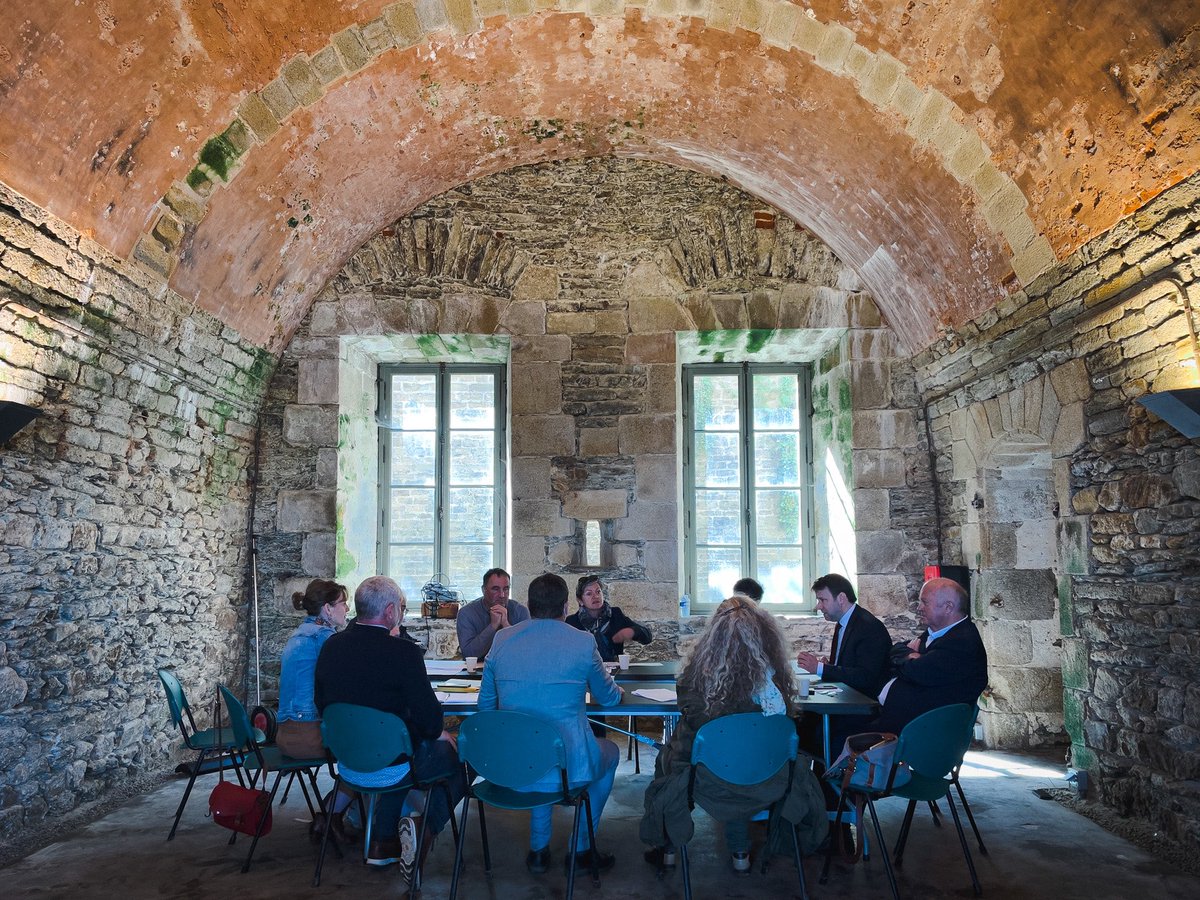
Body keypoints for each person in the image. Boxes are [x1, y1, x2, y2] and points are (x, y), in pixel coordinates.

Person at [641, 596, 826, 874]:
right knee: (741, 763)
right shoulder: (776, 683)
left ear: (713, 636)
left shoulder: (693, 681)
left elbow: (689, 732)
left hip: (707, 783)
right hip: (769, 780)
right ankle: (740, 852)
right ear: (764, 634)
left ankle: (667, 847)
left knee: (674, 761)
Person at [314, 576, 466, 878]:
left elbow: (323, 704)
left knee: (400, 746)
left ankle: (384, 841)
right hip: (393, 762)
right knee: (464, 758)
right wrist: (440, 732)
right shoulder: (403, 653)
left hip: (347, 761)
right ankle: (425, 829)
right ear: (389, 611)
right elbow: (430, 720)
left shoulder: (331, 646)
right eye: (399, 606)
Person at [478, 572, 624, 875]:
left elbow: (485, 708)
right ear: (566, 607)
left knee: (537, 748)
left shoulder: (502, 639)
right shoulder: (583, 643)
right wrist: (619, 690)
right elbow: (609, 700)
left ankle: (539, 849)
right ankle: (582, 847)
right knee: (609, 753)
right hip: (569, 766)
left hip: (513, 762)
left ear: (530, 606)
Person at [275, 578, 357, 841]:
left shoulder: (300, 633)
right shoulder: (324, 639)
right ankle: (330, 814)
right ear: (327, 608)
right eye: (343, 603)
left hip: (286, 732)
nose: (347, 609)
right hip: (307, 736)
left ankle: (339, 815)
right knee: (371, 753)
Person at [871, 577, 988, 734]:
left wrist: (908, 661)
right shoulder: (937, 632)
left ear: (948, 607)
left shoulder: (962, 641)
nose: (919, 607)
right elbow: (894, 650)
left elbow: (918, 673)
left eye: (925, 602)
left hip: (925, 732)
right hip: (903, 721)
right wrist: (911, 655)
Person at [797, 573, 892, 698]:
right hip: (846, 698)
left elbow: (865, 677)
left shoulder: (868, 627)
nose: (818, 606)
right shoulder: (844, 622)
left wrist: (820, 668)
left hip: (862, 705)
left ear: (841, 598)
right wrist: (830, 667)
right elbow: (849, 667)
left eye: (823, 600)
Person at [565, 575, 652, 662]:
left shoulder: (615, 614)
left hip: (613, 672)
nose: (595, 596)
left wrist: (632, 632)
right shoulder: (572, 622)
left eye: (598, 592)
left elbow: (647, 637)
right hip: (584, 672)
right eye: (589, 593)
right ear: (580, 600)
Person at [455, 567, 530, 658]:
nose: (502, 595)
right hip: (478, 670)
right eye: (495, 589)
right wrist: (492, 626)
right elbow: (469, 654)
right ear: (484, 590)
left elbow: (526, 651)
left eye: (506, 589)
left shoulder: (520, 611)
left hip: (512, 668)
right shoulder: (467, 613)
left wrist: (506, 625)